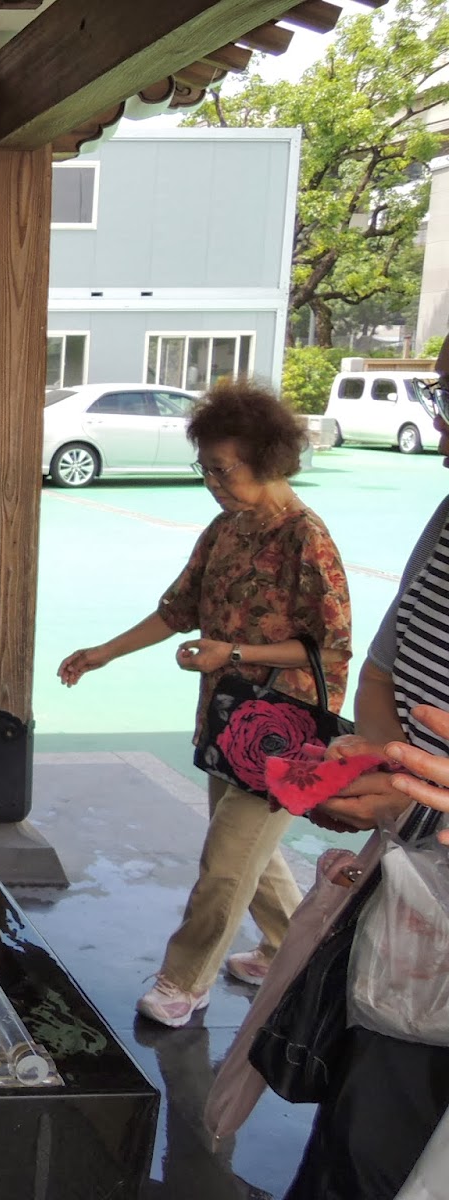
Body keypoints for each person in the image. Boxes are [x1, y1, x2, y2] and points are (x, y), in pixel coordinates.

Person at [57, 380, 351, 1028]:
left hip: (288, 732)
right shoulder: (226, 529)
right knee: (247, 851)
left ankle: (183, 981)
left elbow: (330, 648)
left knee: (224, 863)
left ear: (268, 461)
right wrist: (103, 653)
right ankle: (285, 951)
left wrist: (235, 654)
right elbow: (177, 611)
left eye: (224, 470)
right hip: (228, 721)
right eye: (207, 469)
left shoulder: (307, 539)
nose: (212, 482)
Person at [278, 400, 449, 1198]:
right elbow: (381, 670)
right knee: (363, 1142)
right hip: (414, 917)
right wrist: (383, 769)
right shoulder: (448, 519)